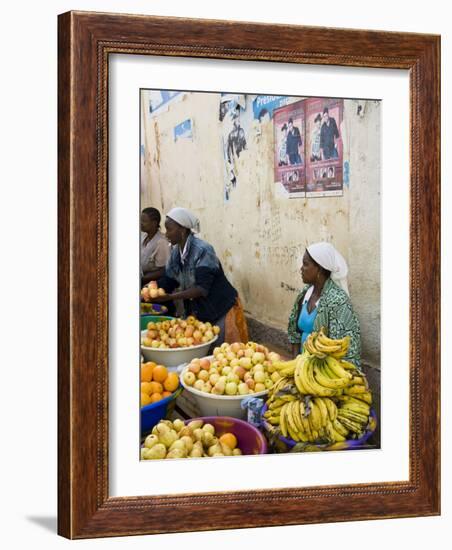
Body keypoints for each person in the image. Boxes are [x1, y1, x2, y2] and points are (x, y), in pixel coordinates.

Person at [154, 207, 249, 345]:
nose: (166, 234)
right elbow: (169, 280)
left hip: (220, 308)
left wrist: (171, 297)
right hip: (199, 310)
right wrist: (151, 290)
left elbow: (201, 289)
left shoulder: (203, 250)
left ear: (182, 230)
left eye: (169, 229)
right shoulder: (176, 253)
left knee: (224, 350)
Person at [287, 242, 361, 366]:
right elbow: (295, 333)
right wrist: (296, 363)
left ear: (319, 269)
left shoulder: (338, 302)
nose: (301, 269)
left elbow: (341, 350)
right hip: (302, 368)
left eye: (305, 264)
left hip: (326, 371)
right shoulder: (304, 294)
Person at [140, 207, 170, 286]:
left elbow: (164, 270)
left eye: (144, 221)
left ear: (154, 223)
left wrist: (142, 278)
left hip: (152, 285)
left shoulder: (161, 242)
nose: (140, 223)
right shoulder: (143, 236)